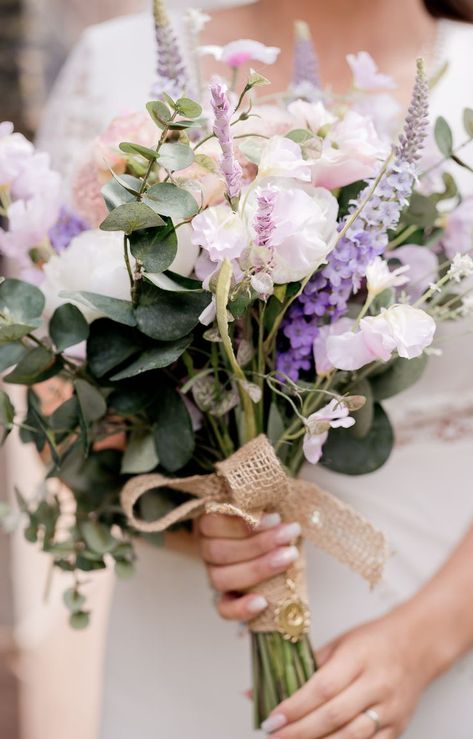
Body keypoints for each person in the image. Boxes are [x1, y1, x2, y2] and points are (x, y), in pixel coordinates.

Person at [36, 1, 473, 737]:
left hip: (435, 622)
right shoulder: (113, 65)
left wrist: (421, 642)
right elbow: (54, 381)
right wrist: (197, 514)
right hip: (180, 634)